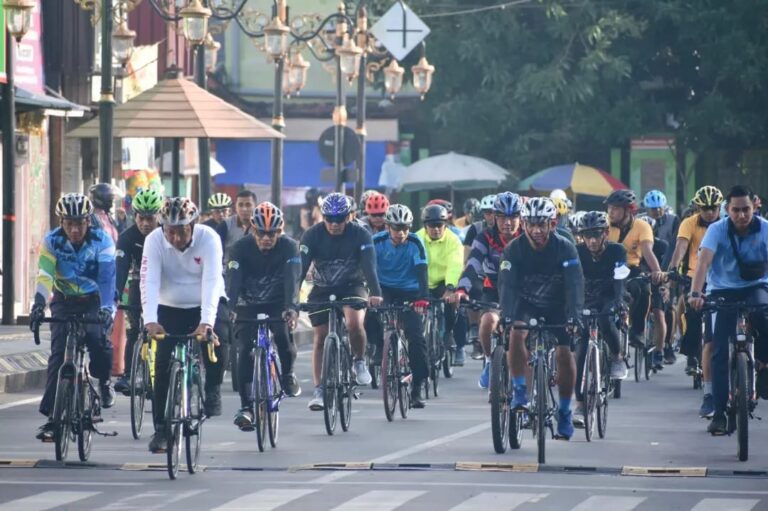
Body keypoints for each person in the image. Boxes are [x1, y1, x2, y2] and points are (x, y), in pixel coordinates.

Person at [140, 197, 226, 453]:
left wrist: (207, 322)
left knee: (223, 335)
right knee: (162, 366)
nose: (176, 238)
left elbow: (212, 281)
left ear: (194, 225)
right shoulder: (153, 241)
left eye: (182, 231)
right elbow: (149, 281)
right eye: (170, 232)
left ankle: (212, 389)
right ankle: (161, 431)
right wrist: (150, 321)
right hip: (169, 306)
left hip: (204, 303)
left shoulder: (209, 238)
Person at [31, 194, 117, 441]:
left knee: (97, 341)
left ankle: (103, 381)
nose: (75, 229)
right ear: (62, 222)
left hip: (94, 299)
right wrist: (38, 305)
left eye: (80, 223)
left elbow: (107, 278)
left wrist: (107, 310)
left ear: (88, 221)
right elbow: (45, 275)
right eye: (69, 223)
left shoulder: (102, 241)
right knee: (58, 355)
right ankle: (51, 419)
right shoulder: (52, 241)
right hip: (64, 300)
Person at [499, 197, 584, 440]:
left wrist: (575, 316)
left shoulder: (565, 248)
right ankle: (519, 391)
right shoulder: (513, 249)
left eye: (542, 225)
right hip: (527, 303)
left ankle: (565, 411)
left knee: (564, 354)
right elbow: (507, 286)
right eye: (531, 225)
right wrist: (505, 315)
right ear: (523, 224)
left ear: (552, 224)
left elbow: (575, 285)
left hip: (558, 304)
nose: (536, 231)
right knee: (516, 333)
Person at [688, 185, 768, 435]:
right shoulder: (716, 230)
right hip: (721, 291)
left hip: (756, 287)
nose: (742, 215)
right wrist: (696, 293)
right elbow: (703, 262)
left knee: (764, 319)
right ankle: (720, 412)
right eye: (736, 210)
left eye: (746, 209)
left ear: (754, 207)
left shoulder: (764, 228)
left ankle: (763, 366)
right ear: (727, 210)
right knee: (719, 352)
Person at [299, 193, 383, 410]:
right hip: (322, 288)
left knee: (354, 323)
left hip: (352, 285)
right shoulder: (312, 235)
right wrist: (291, 299)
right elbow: (299, 269)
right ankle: (319, 390)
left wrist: (375, 292)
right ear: (323, 217)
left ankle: (359, 360)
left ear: (350, 216)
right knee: (320, 337)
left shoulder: (361, 234)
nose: (335, 224)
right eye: (329, 219)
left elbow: (369, 267)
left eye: (340, 219)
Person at [228, 202, 302, 431]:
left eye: (273, 233)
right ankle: (246, 407)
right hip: (247, 303)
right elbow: (233, 282)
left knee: (282, 336)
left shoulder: (290, 247)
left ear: (281, 231)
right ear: (252, 228)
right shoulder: (239, 248)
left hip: (277, 303)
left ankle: (288, 373)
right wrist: (229, 309)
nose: (267, 238)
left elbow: (292, 279)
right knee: (244, 352)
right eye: (261, 233)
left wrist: (291, 307)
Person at [455, 192, 523, 386]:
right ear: (494, 217)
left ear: (520, 218)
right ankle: (489, 360)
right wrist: (462, 289)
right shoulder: (484, 237)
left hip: (523, 291)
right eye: (502, 217)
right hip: (493, 288)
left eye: (512, 217)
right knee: (487, 322)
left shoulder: (527, 236)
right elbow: (473, 263)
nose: (507, 223)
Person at [667, 185, 723, 418]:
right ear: (698, 208)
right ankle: (691, 353)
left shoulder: (727, 223)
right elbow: (680, 247)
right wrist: (671, 271)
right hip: (693, 276)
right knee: (691, 313)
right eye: (705, 208)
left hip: (721, 279)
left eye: (714, 208)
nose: (710, 212)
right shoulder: (688, 223)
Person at [367, 204, 430, 408]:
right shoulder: (376, 242)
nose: (401, 233)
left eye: (405, 228)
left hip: (410, 291)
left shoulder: (415, 242)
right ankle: (378, 347)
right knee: (368, 316)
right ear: (387, 226)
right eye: (396, 228)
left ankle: (417, 386)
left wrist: (423, 298)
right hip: (384, 288)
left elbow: (422, 271)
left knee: (416, 338)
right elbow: (368, 268)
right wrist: (373, 293)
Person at [572, 211, 629, 426]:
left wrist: (619, 301)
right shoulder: (577, 252)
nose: (592, 241)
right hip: (585, 299)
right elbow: (572, 281)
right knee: (582, 347)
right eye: (588, 236)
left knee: (606, 320)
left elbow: (620, 279)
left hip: (609, 296)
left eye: (596, 235)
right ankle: (579, 404)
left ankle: (616, 356)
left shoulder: (617, 250)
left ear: (606, 233)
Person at [112, 188, 163, 395]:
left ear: (159, 216)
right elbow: (121, 268)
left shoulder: (165, 234)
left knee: (163, 329)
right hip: (137, 283)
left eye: (150, 218)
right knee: (134, 330)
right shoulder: (127, 237)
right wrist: (115, 295)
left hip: (163, 284)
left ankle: (162, 373)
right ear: (135, 216)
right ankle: (128, 375)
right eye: (141, 218)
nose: (145, 224)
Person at [606, 189, 665, 351]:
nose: (611, 212)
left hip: (631, 268)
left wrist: (658, 273)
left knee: (644, 290)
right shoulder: (604, 225)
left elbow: (647, 250)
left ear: (628, 210)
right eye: (609, 208)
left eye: (616, 208)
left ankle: (637, 331)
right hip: (607, 270)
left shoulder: (642, 226)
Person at [415, 204, 465, 373]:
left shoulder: (453, 240)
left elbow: (455, 264)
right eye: (432, 226)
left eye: (440, 225)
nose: (436, 229)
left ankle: (448, 333)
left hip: (444, 282)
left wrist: (450, 288)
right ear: (425, 226)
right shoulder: (417, 238)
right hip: (423, 282)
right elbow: (414, 265)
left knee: (452, 305)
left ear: (445, 225)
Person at [216, 189, 257, 260]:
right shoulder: (225, 225)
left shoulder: (261, 225)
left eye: (248, 205)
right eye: (240, 205)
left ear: (255, 206)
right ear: (236, 207)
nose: (244, 209)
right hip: (229, 268)